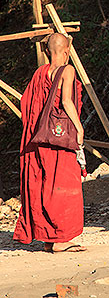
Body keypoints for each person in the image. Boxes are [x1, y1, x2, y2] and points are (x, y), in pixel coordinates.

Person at [13, 33, 86, 253]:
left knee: (44, 185)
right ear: (66, 51)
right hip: (59, 139)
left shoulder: (39, 73)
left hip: (40, 138)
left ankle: (48, 238)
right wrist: (79, 128)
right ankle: (61, 239)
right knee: (64, 184)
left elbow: (27, 104)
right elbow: (65, 101)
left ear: (47, 51)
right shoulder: (68, 70)